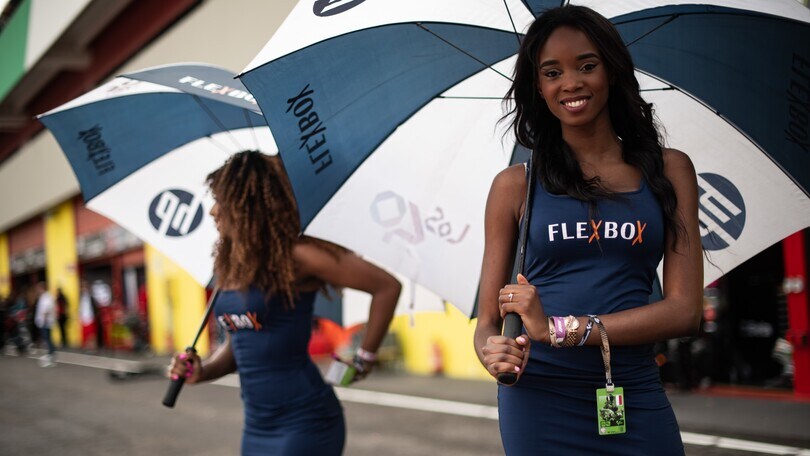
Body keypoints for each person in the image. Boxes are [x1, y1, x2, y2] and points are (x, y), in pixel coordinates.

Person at [473, 6, 702, 455]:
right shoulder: (514, 185)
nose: (571, 83)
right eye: (552, 72)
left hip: (632, 388)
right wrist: (492, 352)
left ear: (612, 71)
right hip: (539, 398)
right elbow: (487, 323)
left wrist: (561, 328)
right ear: (538, 88)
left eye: (587, 66)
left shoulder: (670, 170)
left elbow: (684, 311)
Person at [168, 151, 401, 456]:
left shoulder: (296, 255)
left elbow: (386, 286)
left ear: (248, 205)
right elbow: (242, 344)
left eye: (222, 201)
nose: (212, 211)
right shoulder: (233, 265)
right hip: (256, 426)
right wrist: (204, 371)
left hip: (305, 422)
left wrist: (364, 358)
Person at [34, 282, 57, 367]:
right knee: (48, 340)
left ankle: (51, 357)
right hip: (45, 322)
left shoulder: (47, 297)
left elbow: (47, 309)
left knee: (48, 340)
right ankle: (50, 356)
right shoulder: (44, 296)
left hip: (45, 322)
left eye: (38, 288)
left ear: (42, 288)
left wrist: (43, 320)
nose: (37, 290)